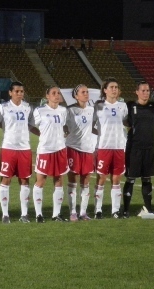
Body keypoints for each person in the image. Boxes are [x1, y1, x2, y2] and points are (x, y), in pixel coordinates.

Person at [0, 81, 39, 223]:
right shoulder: (3, 107)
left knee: (24, 181)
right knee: (5, 180)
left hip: (25, 149)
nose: (20, 94)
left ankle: (24, 214)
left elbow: (31, 126)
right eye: (17, 91)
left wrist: (43, 134)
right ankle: (5, 214)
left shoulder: (28, 108)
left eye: (22, 91)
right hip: (8, 148)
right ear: (10, 93)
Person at [122, 81, 154, 218]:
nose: (146, 93)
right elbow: (124, 121)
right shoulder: (130, 106)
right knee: (130, 179)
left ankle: (148, 208)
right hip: (134, 148)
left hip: (149, 147)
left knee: (147, 179)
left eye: (148, 90)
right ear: (136, 92)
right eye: (143, 90)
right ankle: (125, 210)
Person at [93, 77, 128, 219]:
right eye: (111, 87)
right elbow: (90, 127)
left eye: (116, 87)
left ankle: (115, 210)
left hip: (119, 147)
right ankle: (98, 209)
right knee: (101, 178)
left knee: (116, 179)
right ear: (105, 90)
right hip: (104, 147)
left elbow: (127, 123)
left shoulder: (123, 106)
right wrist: (101, 134)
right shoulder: (99, 106)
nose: (114, 89)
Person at [33, 86, 69, 222]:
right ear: (47, 96)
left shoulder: (63, 111)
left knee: (59, 180)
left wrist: (65, 132)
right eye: (53, 93)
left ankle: (56, 214)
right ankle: (38, 214)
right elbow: (33, 125)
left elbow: (63, 125)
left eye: (58, 93)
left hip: (60, 149)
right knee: (41, 180)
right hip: (45, 150)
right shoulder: (39, 111)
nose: (57, 95)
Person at [65, 84, 95, 221]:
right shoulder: (69, 110)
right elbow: (63, 125)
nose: (86, 94)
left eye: (87, 92)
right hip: (73, 148)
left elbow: (93, 127)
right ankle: (72, 212)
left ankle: (83, 212)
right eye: (83, 92)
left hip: (88, 149)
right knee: (73, 180)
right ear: (76, 96)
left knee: (86, 181)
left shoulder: (92, 110)